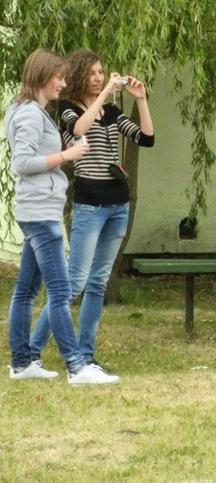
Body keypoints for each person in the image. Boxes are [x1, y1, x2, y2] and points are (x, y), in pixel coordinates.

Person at [29, 50, 154, 370]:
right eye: (95, 73)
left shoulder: (112, 111)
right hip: (89, 205)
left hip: (117, 205)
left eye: (103, 73)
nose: (100, 78)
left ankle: (85, 355)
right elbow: (80, 131)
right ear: (81, 75)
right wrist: (104, 97)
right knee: (73, 284)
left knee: (97, 283)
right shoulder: (67, 109)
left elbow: (146, 138)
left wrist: (140, 100)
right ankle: (31, 352)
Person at [5, 49, 118, 384]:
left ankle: (23, 364)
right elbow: (22, 164)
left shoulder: (27, 110)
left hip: (36, 210)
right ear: (43, 76)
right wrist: (67, 154)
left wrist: (62, 155)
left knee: (25, 290)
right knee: (59, 291)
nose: (64, 84)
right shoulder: (29, 115)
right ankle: (76, 365)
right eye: (60, 78)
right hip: (41, 213)